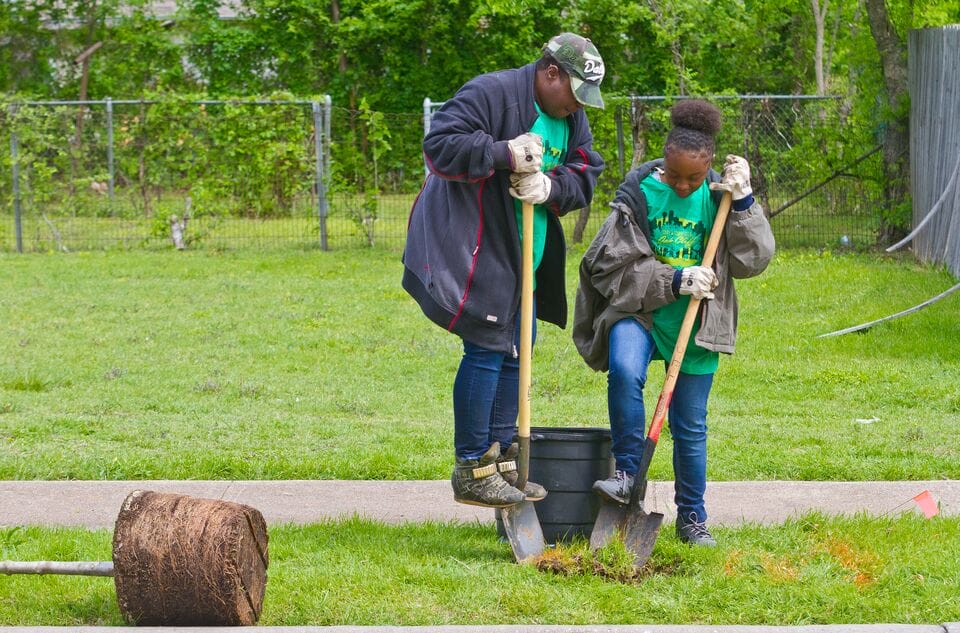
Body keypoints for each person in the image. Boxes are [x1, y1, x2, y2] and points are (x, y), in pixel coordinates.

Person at [402, 33, 606, 508]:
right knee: (488, 345)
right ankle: (472, 467)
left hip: (526, 256)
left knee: (521, 346)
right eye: (575, 93)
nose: (578, 106)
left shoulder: (572, 121)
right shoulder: (491, 93)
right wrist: (504, 154)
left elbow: (585, 175)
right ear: (550, 73)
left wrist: (549, 187)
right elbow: (440, 147)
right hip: (477, 244)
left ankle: (501, 461)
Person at [572, 99, 775, 545]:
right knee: (625, 370)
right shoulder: (639, 195)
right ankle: (627, 474)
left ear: (709, 171)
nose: (684, 186)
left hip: (698, 325)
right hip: (641, 314)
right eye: (676, 174)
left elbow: (754, 260)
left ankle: (693, 517)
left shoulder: (719, 199)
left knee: (689, 426)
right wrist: (677, 278)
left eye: (695, 178)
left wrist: (743, 202)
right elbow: (607, 267)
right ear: (663, 159)